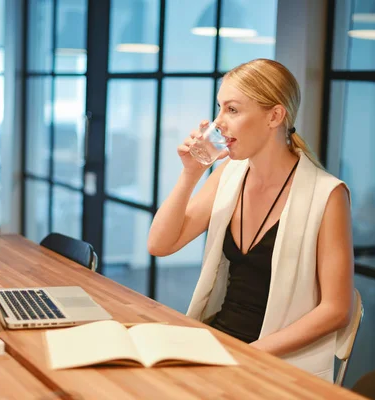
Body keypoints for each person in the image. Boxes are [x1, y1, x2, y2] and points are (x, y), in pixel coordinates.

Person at [147, 58, 354, 381]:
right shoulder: (229, 174)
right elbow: (160, 244)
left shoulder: (328, 195)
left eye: (232, 110)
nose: (218, 124)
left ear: (274, 116)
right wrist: (190, 175)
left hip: (276, 363)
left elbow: (337, 310)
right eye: (220, 108)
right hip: (220, 345)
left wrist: (245, 355)